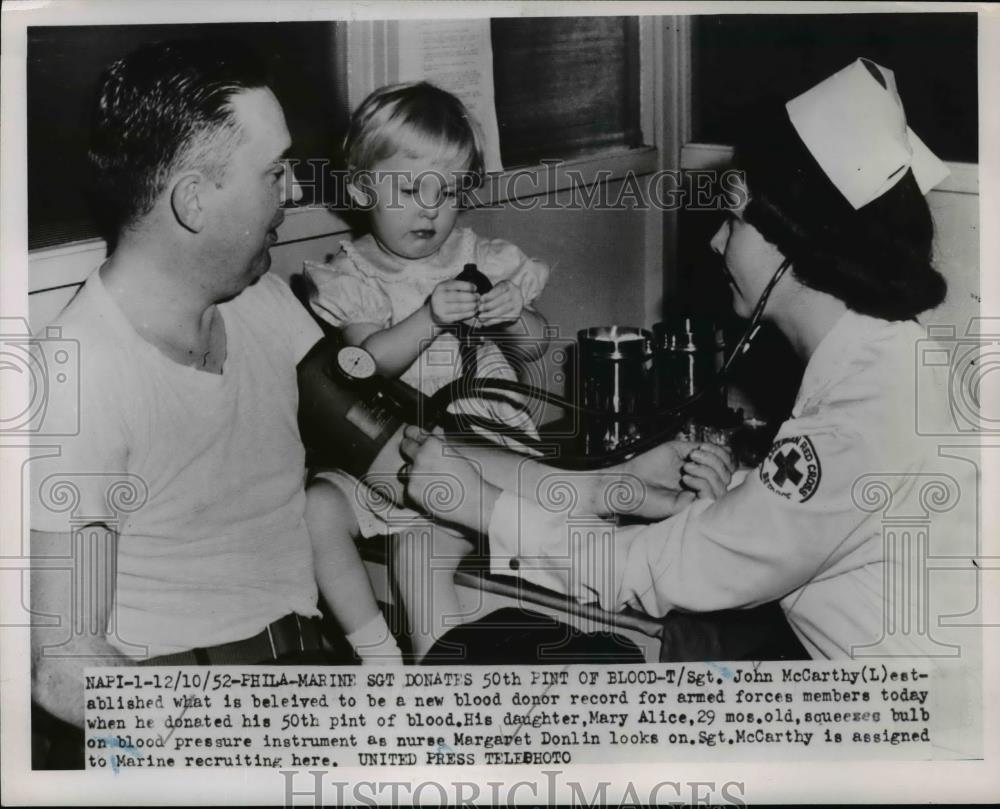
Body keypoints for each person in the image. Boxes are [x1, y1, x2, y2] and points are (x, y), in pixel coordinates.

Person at [398, 58, 978, 661]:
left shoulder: (857, 420)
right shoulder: (885, 362)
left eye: (733, 218)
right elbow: (819, 516)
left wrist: (484, 508)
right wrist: (726, 489)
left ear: (797, 236)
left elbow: (651, 572)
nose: (716, 241)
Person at [29, 39, 400, 760]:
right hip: (190, 717)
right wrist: (245, 741)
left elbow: (399, 453)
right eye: (274, 172)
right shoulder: (82, 375)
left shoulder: (262, 303)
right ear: (194, 201)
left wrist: (596, 497)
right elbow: (64, 668)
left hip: (308, 674)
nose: (293, 191)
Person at [301, 82, 552, 656]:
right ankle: (378, 655)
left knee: (419, 554)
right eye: (411, 188)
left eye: (449, 191)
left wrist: (515, 314)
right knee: (314, 508)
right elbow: (367, 365)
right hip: (389, 455)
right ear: (364, 187)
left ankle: (431, 674)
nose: (430, 208)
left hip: (477, 453)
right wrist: (429, 317)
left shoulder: (481, 259)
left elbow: (533, 349)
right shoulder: (351, 276)